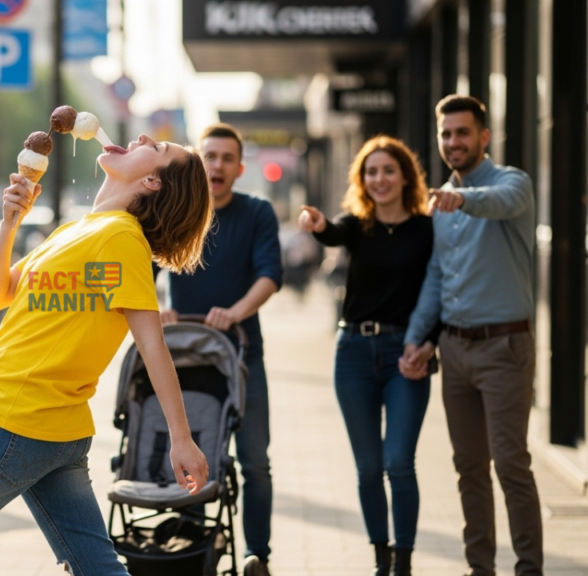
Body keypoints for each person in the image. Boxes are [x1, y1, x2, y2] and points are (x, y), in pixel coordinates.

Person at [0, 135, 213, 576]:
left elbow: (151, 344)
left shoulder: (121, 239)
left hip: (12, 420)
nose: (140, 138)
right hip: (51, 430)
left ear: (153, 180)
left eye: (156, 147)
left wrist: (181, 437)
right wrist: (10, 221)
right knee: (98, 570)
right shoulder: (78, 231)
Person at [400, 95, 542, 576]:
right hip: (455, 351)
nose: (453, 142)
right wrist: (418, 339)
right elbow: (438, 277)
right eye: (446, 134)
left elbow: (505, 203)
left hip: (505, 347)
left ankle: (529, 569)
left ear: (483, 137)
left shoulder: (511, 182)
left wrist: (464, 199)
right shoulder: (441, 199)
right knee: (469, 470)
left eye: (463, 132)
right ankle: (480, 568)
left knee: (511, 465)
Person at [299, 136, 436, 576]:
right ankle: (380, 557)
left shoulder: (426, 229)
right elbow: (332, 232)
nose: (379, 179)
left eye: (388, 170)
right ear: (362, 179)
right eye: (371, 172)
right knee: (367, 468)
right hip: (354, 354)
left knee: (398, 461)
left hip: (406, 355)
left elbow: (439, 292)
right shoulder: (357, 225)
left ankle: (403, 561)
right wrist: (317, 223)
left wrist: (431, 343)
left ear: (405, 177)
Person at [157, 123, 282, 576]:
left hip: (242, 357)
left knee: (255, 462)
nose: (218, 165)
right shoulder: (180, 208)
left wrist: (235, 311)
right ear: (198, 162)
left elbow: (269, 275)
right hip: (186, 360)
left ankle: (258, 556)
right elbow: (150, 266)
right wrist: (163, 306)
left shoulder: (257, 213)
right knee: (189, 457)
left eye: (228, 158)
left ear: (239, 168)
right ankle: (189, 544)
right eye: (210, 156)